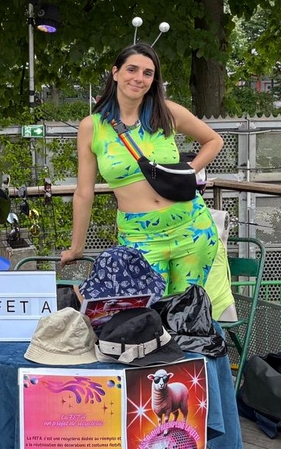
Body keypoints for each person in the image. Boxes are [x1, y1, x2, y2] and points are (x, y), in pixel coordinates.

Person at [60, 43, 224, 297]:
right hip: (140, 236)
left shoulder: (167, 112)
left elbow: (214, 141)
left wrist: (190, 170)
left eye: (148, 73)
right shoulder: (92, 127)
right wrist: (76, 247)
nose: (139, 78)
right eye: (132, 69)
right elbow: (84, 192)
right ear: (115, 73)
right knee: (147, 317)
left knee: (187, 314)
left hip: (192, 228)